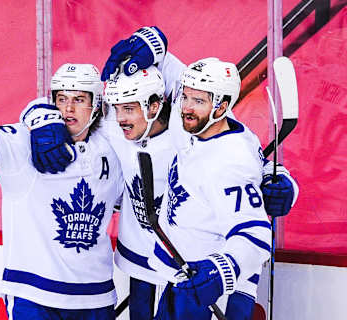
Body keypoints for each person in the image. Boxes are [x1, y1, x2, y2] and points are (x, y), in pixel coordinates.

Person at [29, 26, 298, 319]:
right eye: (185, 99)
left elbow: (247, 175)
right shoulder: (182, 126)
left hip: (209, 264)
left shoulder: (212, 139)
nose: (119, 117)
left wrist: (283, 184)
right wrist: (41, 119)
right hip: (162, 256)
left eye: (129, 108)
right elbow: (69, 105)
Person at [0, 63, 124, 320]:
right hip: (34, 296)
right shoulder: (25, 143)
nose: (68, 108)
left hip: (96, 297)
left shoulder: (114, 147)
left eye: (79, 99)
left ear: (96, 105)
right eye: (61, 99)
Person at [146, 57, 271, 320]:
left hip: (211, 291)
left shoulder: (229, 162)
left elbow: (256, 234)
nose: (187, 108)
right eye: (186, 97)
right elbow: (261, 165)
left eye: (199, 101)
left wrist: (219, 272)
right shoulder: (203, 128)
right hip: (183, 277)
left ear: (221, 107)